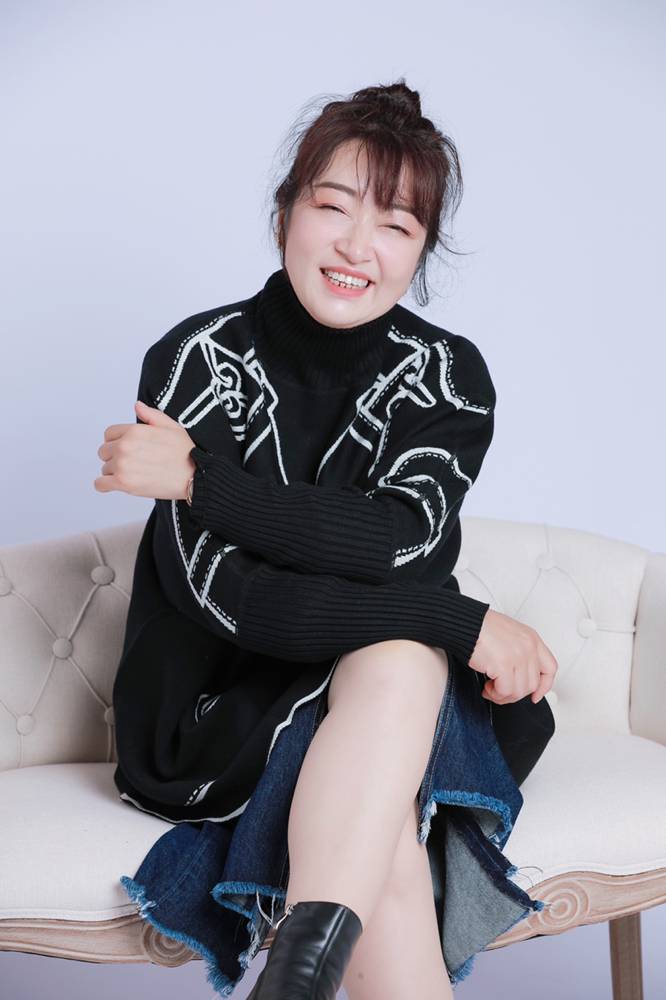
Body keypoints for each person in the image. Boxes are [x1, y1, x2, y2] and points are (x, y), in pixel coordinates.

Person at [96, 79, 558, 999]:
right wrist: (458, 622)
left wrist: (200, 479)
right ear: (286, 215)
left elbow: (390, 540)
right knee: (395, 735)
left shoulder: (446, 378)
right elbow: (244, 601)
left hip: (381, 692)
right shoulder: (197, 362)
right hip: (218, 707)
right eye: (333, 207)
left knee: (393, 675)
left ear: (420, 250)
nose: (356, 247)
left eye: (395, 224)